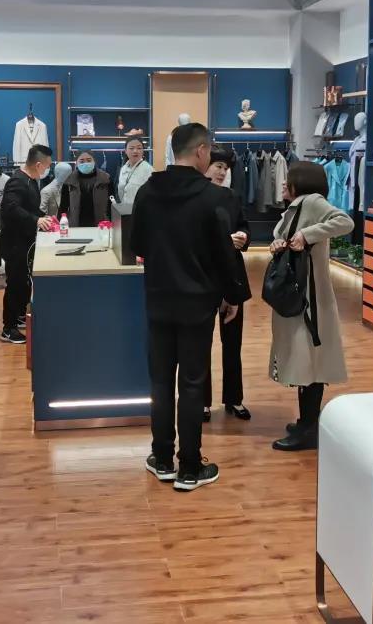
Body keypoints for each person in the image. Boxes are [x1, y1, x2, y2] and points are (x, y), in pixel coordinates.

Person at [131, 123, 249, 492]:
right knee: (193, 382)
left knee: (161, 380)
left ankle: (162, 458)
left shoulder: (147, 191)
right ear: (200, 151)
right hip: (198, 301)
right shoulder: (212, 198)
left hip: (158, 297)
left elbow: (137, 244)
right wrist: (232, 296)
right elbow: (224, 255)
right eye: (209, 151)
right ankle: (190, 466)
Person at [269, 162, 354, 451]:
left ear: (300, 182)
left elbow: (345, 222)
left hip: (310, 300)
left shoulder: (313, 202)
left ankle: (309, 428)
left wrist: (308, 235)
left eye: (288, 179)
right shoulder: (297, 207)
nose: (283, 184)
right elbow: (284, 235)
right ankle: (306, 422)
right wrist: (279, 243)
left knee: (311, 361)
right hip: (299, 295)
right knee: (303, 360)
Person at [202, 148, 251, 422]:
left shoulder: (232, 197)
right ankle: (202, 402)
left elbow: (244, 225)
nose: (221, 171)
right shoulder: (196, 198)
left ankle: (234, 398)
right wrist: (223, 241)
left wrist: (243, 236)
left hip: (233, 277)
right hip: (205, 279)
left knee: (233, 343)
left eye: (225, 167)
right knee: (202, 344)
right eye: (217, 166)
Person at [0, 144, 55, 344]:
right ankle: (8, 328)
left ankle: (20, 315)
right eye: (47, 166)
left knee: (24, 282)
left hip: (26, 241)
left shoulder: (31, 181)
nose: (48, 169)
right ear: (38, 164)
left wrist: (43, 217)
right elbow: (11, 208)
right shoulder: (18, 181)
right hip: (14, 242)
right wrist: (35, 220)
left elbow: (29, 208)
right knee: (15, 283)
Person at [59, 150, 113, 227]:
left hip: (101, 225)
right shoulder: (69, 181)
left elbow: (112, 204)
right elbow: (63, 206)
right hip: (76, 225)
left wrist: (113, 222)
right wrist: (59, 224)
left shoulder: (106, 179)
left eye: (89, 160)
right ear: (76, 163)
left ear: (94, 162)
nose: (86, 163)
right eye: (81, 161)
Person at [117, 137, 153, 204]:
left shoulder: (148, 169)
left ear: (143, 151)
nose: (135, 151)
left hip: (141, 209)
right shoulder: (123, 169)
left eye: (139, 148)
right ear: (125, 151)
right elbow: (121, 192)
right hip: (125, 208)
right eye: (131, 148)